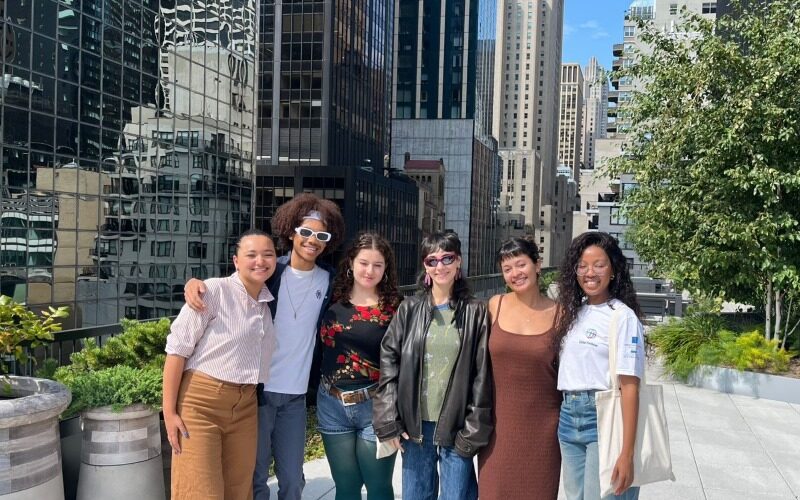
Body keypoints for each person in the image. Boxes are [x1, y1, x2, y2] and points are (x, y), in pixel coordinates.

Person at [183, 193, 345, 500]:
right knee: (256, 478)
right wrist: (193, 283)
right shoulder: (272, 272)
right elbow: (232, 285)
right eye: (306, 232)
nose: (312, 240)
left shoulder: (330, 282)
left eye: (321, 235)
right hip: (257, 393)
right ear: (291, 232)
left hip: (296, 397)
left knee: (293, 480)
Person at [373, 231, 492, 500]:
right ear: (425, 266)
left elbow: (481, 374)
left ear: (458, 261)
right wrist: (388, 419)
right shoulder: (409, 308)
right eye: (432, 260)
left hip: (457, 424)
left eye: (447, 258)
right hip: (414, 426)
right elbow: (389, 361)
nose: (440, 266)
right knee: (416, 495)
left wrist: (473, 428)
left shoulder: (476, 311)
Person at [163, 229, 278, 500]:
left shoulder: (265, 303)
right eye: (251, 255)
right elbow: (176, 351)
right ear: (236, 260)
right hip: (201, 403)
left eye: (268, 254)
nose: (260, 261)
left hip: (246, 404)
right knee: (200, 491)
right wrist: (169, 412)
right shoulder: (212, 290)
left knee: (239, 489)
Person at [555, 232, 645, 500]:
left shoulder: (622, 317)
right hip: (568, 418)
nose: (589, 273)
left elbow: (630, 388)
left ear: (614, 270)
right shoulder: (574, 313)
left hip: (603, 416)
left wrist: (627, 453)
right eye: (582, 265)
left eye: (599, 265)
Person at [317, 232, 403, 500]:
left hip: (375, 407)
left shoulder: (395, 308)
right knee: (346, 488)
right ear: (351, 263)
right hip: (331, 403)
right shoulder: (329, 297)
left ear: (385, 269)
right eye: (364, 263)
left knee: (378, 488)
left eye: (378, 265)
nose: (370, 271)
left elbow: (406, 360)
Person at [477, 237, 561, 500]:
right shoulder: (494, 306)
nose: (515, 273)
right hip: (497, 430)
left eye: (521, 264)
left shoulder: (562, 313)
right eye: (507, 268)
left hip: (545, 432)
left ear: (537, 265)